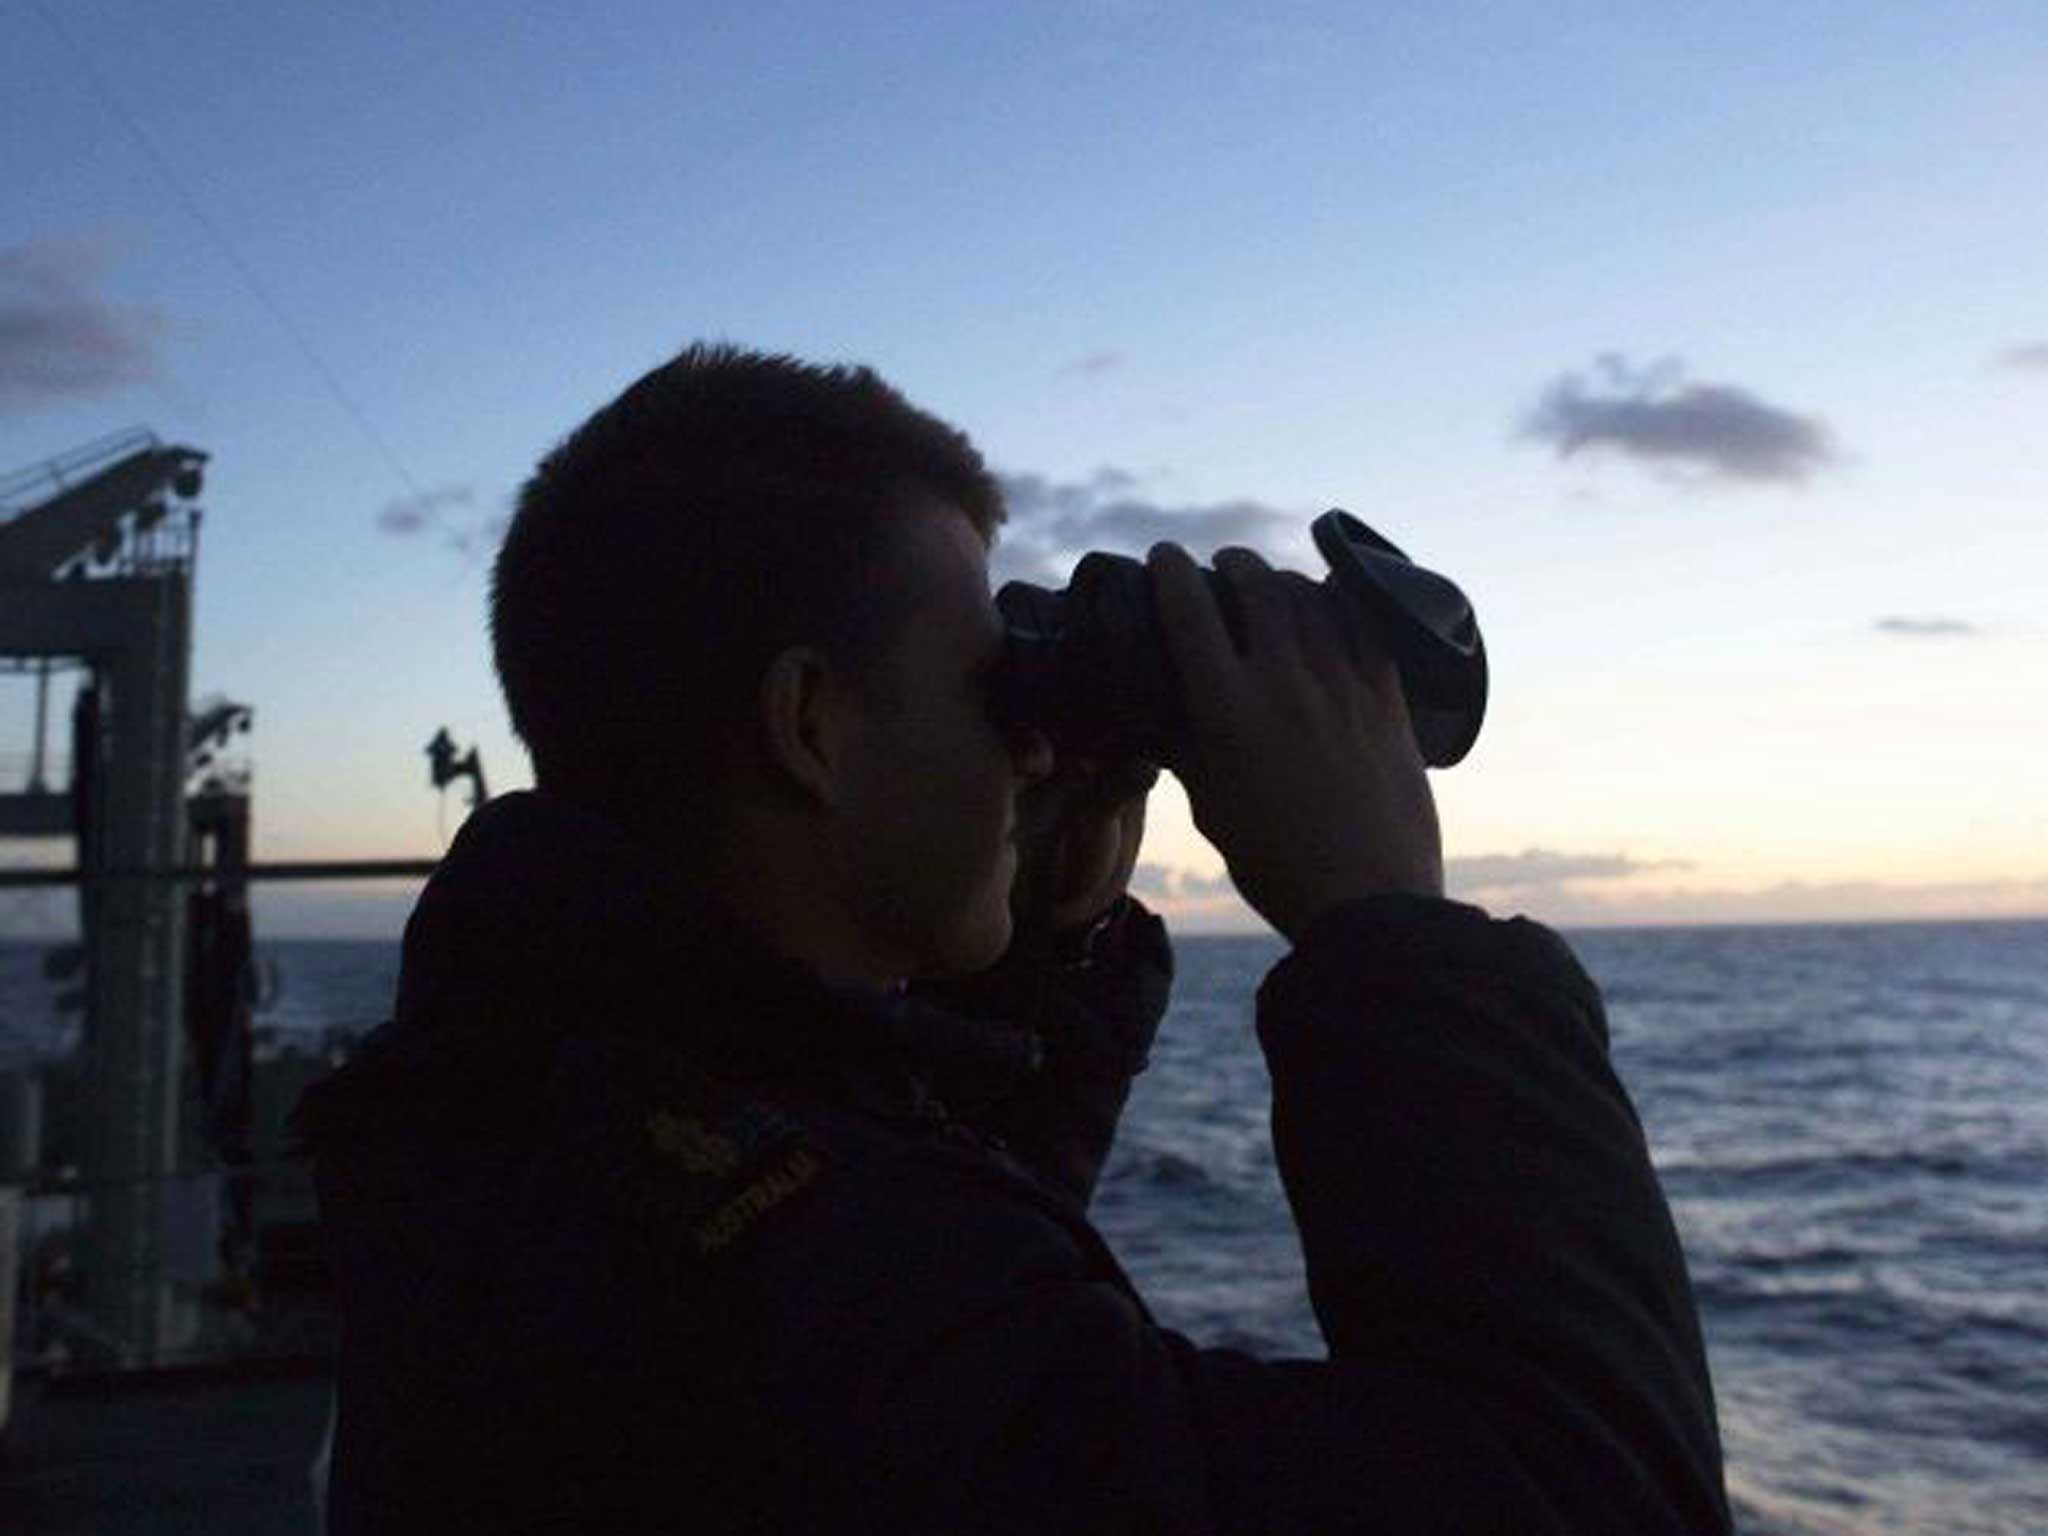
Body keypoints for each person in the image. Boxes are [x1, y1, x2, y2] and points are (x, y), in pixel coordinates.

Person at [295, 344, 1732, 1533]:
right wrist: (1386, 926)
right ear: (810, 727)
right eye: (988, 685)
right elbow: (1581, 1495)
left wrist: (1048, 943)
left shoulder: (555, 1102)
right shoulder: (779, 1293)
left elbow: (926, 1286)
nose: (1029, 751)